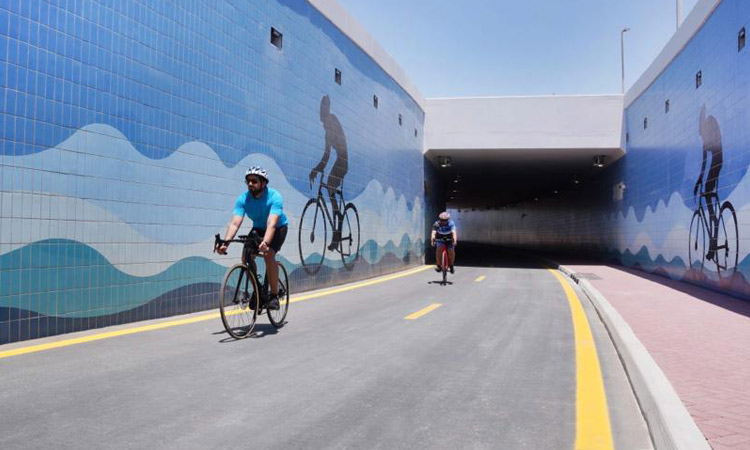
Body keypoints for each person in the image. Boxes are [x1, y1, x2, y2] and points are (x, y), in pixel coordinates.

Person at [216, 166, 289, 310]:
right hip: (258, 229)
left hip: (278, 228)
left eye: (254, 181)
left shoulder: (275, 197)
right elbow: (235, 223)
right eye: (248, 181)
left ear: (263, 183)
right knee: (246, 258)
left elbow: (271, 223)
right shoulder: (243, 199)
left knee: (268, 255)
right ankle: (258, 291)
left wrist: (265, 243)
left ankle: (274, 296)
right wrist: (226, 243)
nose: (250, 184)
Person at [309, 95, 348, 251]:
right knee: (330, 190)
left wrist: (317, 169)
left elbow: (329, 155)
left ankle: (337, 232)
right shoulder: (327, 130)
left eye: (323, 108)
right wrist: (317, 169)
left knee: (331, 187)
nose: (321, 112)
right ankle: (337, 217)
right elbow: (326, 156)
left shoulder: (332, 122)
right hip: (339, 160)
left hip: (343, 161)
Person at [693, 105, 723, 261]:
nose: (701, 136)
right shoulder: (708, 130)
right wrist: (699, 180)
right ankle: (713, 217)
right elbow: (704, 162)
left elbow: (706, 161)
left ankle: (713, 223)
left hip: (718, 161)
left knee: (707, 193)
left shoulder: (709, 127)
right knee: (707, 191)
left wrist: (699, 181)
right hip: (716, 162)